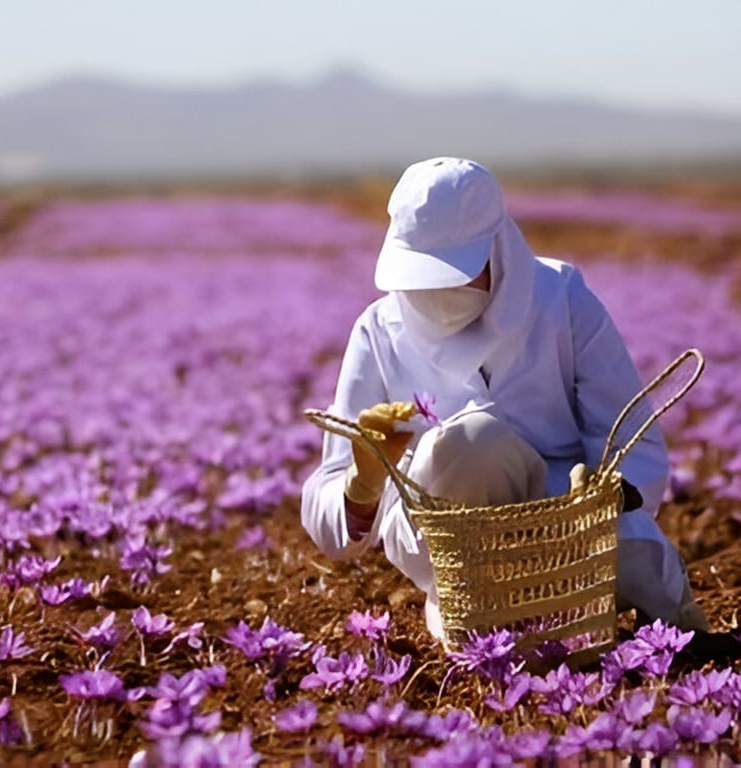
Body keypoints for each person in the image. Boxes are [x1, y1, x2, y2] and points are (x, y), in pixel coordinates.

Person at [301, 156, 707, 640]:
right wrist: (360, 487)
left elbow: (632, 438)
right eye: (421, 278)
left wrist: (609, 492)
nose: (437, 294)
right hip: (452, 544)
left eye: (455, 274)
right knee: (472, 444)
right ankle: (488, 611)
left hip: (565, 522)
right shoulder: (377, 331)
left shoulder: (561, 299)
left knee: (640, 555)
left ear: (499, 248)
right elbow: (330, 513)